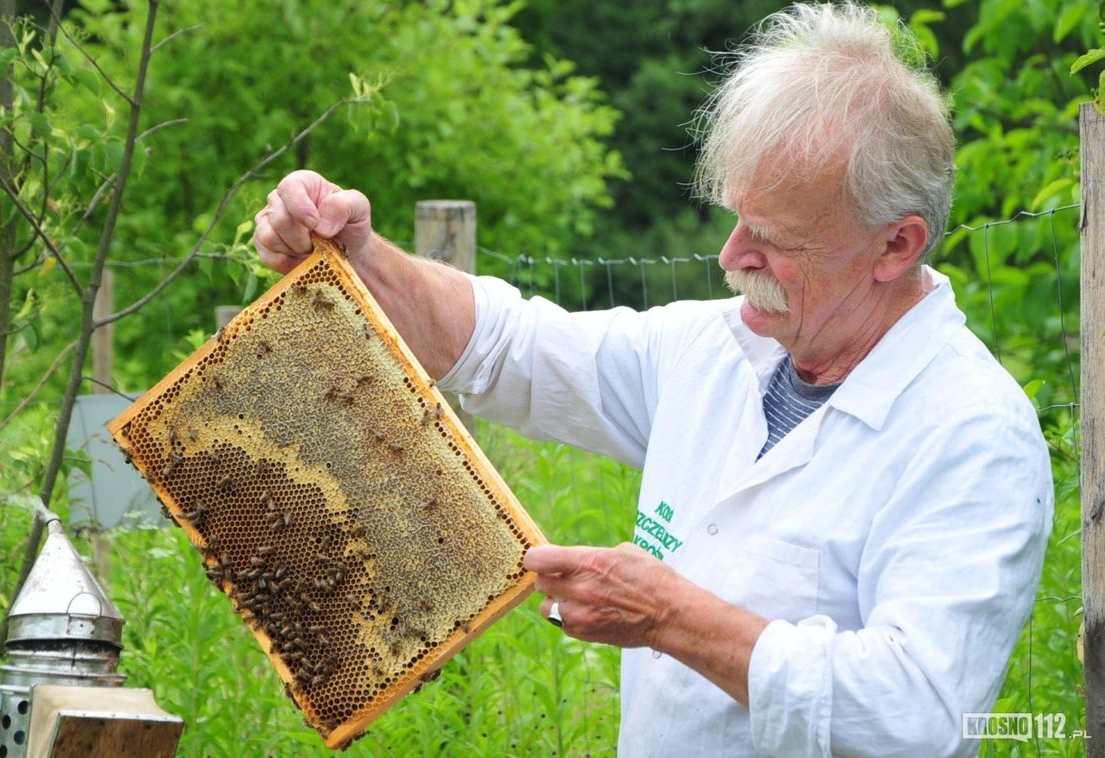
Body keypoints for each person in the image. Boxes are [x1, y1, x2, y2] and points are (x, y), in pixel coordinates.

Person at [253, 3, 1053, 755]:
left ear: (895, 246)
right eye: (735, 218)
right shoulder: (716, 349)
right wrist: (361, 255)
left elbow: (920, 715)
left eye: (775, 240)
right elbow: (509, 346)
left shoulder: (972, 433)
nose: (731, 257)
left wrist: (671, 614)